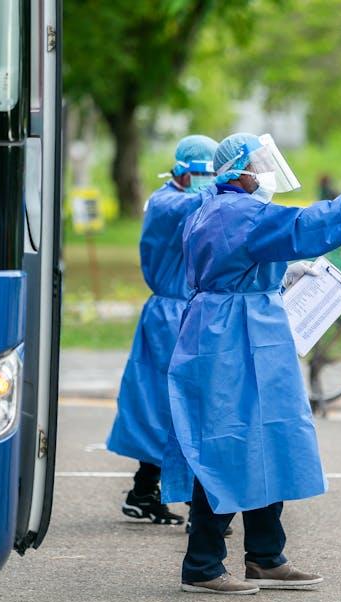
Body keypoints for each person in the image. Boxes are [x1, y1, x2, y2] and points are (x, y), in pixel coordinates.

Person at [163, 132, 341, 594]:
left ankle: (265, 556)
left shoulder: (216, 206)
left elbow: (241, 256)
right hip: (231, 335)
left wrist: (281, 271)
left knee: (266, 438)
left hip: (241, 326)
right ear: (238, 171)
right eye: (258, 164)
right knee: (227, 443)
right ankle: (202, 565)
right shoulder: (235, 211)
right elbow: (300, 227)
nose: (265, 172)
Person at [105, 135, 219, 526]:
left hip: (183, 312)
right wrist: (228, 185)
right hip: (171, 315)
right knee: (177, 408)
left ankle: (143, 492)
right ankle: (194, 506)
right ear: (184, 172)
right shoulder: (165, 201)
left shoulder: (187, 197)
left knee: (166, 407)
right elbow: (190, 205)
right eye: (204, 173)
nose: (208, 181)